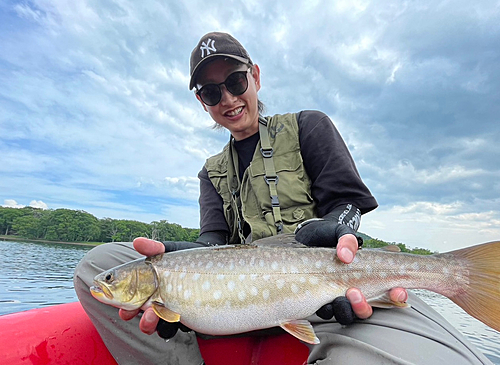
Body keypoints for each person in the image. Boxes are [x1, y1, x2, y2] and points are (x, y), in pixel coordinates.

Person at [74, 32, 493, 364]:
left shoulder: (309, 126)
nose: (229, 99)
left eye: (236, 82)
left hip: (327, 291)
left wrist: (338, 230)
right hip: (231, 298)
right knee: (96, 266)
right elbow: (212, 241)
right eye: (211, 92)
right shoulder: (210, 171)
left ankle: (452, 277)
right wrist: (180, 260)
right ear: (202, 103)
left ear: (255, 76)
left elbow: (348, 202)